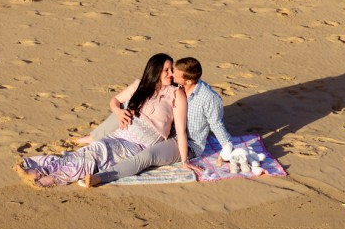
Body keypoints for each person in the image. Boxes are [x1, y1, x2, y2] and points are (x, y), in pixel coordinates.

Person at [15, 53, 191, 188]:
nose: (171, 74)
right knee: (92, 149)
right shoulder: (140, 86)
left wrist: (185, 161)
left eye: (171, 70)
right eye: (166, 70)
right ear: (155, 71)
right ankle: (43, 169)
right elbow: (115, 101)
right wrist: (119, 112)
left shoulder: (176, 94)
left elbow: (181, 130)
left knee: (98, 156)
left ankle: (53, 177)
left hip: (140, 144)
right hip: (122, 133)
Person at [80, 56, 234, 187]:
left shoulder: (209, 98)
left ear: (187, 81)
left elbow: (217, 125)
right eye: (171, 70)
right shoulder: (176, 84)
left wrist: (227, 148)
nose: (171, 75)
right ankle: (94, 137)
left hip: (188, 143)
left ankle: (102, 177)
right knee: (127, 108)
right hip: (167, 133)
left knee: (148, 156)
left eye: (175, 73)